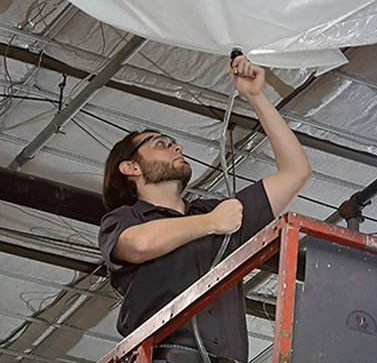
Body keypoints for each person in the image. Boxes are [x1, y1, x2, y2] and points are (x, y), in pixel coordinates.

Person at [98, 56, 312, 363]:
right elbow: (140, 244)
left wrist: (256, 97)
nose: (177, 147)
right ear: (131, 167)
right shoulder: (125, 219)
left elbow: (296, 172)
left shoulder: (218, 213)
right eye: (160, 143)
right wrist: (211, 223)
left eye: (174, 142)